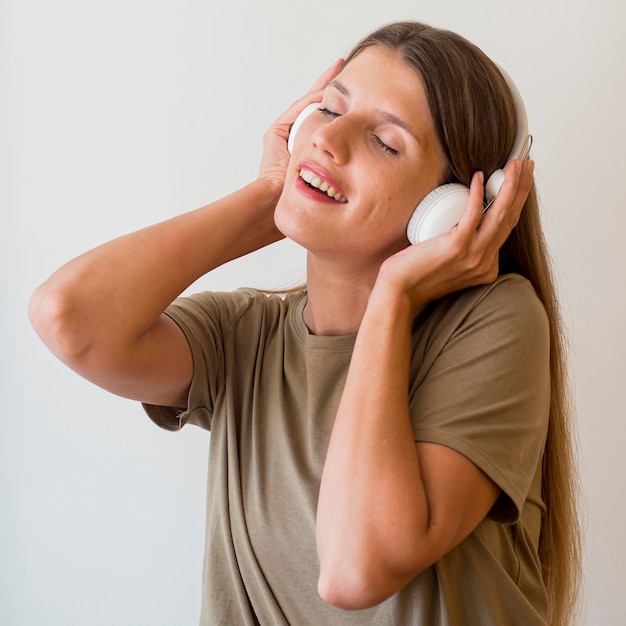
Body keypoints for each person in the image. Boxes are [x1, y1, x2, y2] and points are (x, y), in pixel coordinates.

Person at [29, 20, 581, 626]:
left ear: (451, 212)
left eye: (385, 142)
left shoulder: (495, 324)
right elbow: (67, 317)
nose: (328, 139)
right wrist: (265, 196)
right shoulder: (244, 336)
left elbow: (354, 569)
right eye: (329, 108)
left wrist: (393, 295)